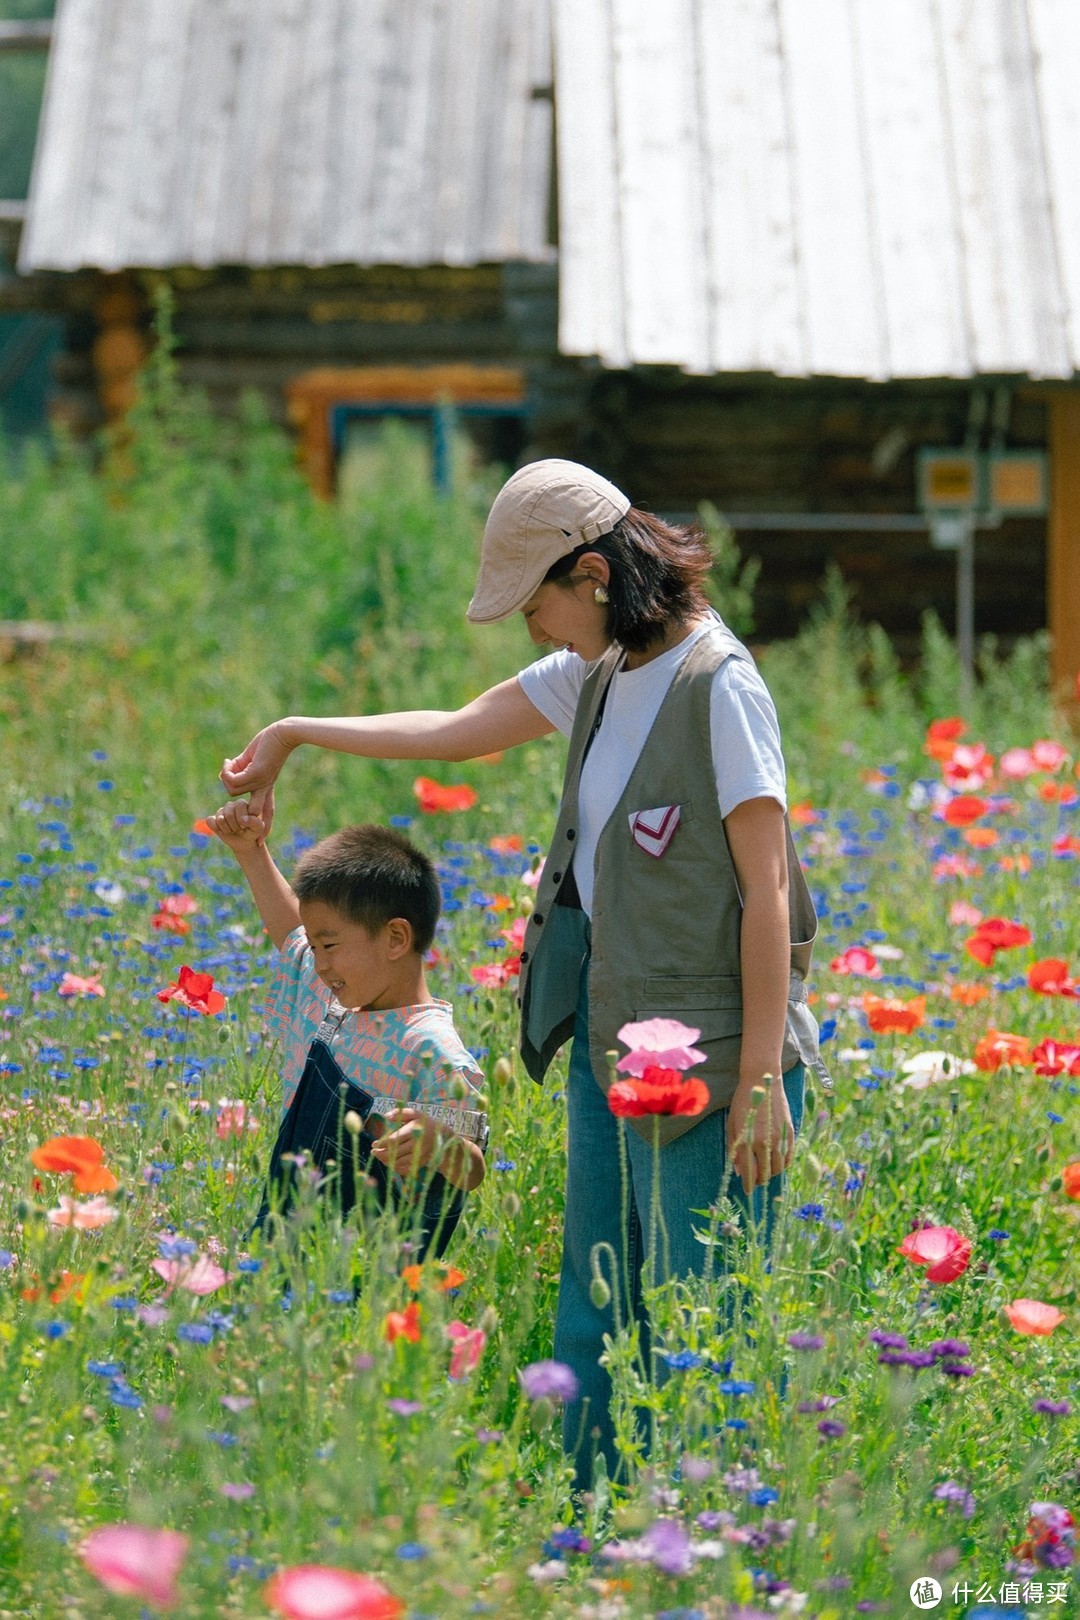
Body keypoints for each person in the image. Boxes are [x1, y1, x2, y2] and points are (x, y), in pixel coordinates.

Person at [219, 458, 826, 1488]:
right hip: (606, 1045)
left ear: (592, 575)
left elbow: (767, 890)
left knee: (700, 1314)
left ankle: (712, 1546)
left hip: (722, 1061)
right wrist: (292, 734)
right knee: (595, 1310)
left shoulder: (719, 685)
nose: (532, 629)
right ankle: (591, 1532)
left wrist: (763, 1080)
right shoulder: (598, 669)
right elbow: (457, 732)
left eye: (535, 604)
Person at [205, 805, 487, 1257]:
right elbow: (291, 932)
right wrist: (251, 853)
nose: (319, 962)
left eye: (330, 945)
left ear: (396, 938)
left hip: (370, 1269)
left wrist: (440, 1144)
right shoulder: (330, 998)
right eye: (316, 947)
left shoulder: (433, 1051)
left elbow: (472, 1171)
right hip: (282, 1237)